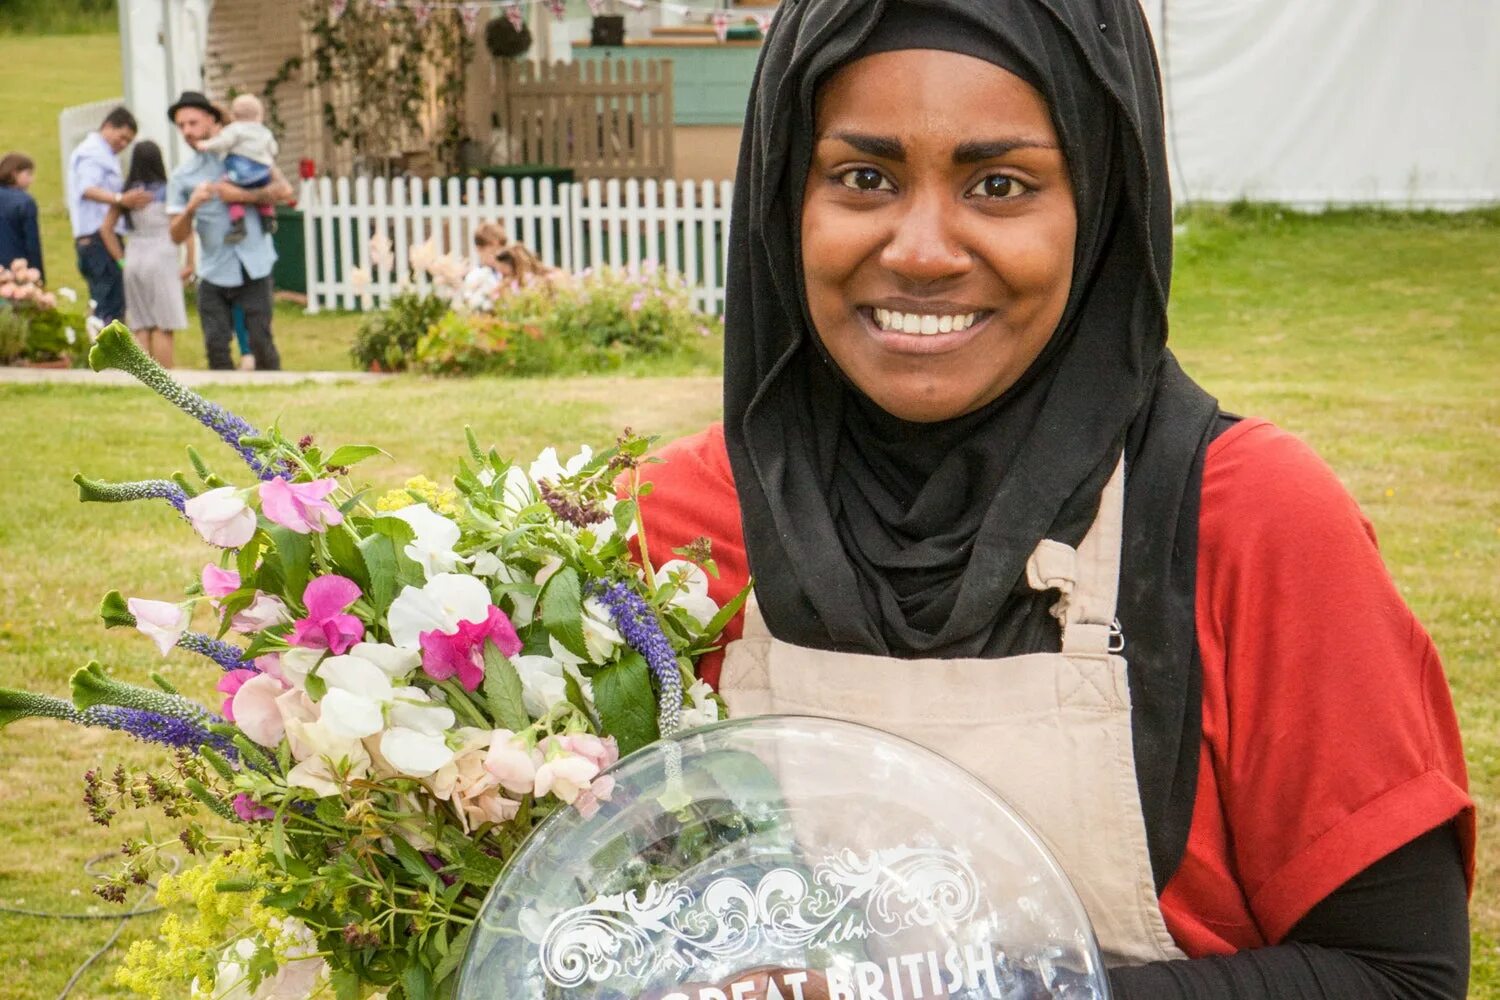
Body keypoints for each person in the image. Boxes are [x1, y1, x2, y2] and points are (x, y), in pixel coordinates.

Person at [633, 2, 1473, 998]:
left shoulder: (1250, 521)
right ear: (783, 197)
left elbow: (1399, 975)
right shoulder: (668, 528)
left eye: (1000, 185)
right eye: (864, 177)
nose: (923, 249)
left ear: (1101, 204)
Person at [165, 90, 293, 371]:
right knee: (215, 345)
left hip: (254, 265)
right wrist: (191, 208)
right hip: (214, 270)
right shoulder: (182, 176)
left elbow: (284, 190)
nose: (187, 131)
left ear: (211, 121)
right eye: (182, 126)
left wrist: (241, 196)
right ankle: (223, 411)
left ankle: (279, 398)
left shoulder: (245, 154)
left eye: (193, 123)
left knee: (261, 341)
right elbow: (174, 235)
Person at [98, 141, 190, 368]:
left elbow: (105, 229)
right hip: (162, 256)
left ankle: (142, 380)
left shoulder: (127, 194)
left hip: (134, 256)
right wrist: (191, 261)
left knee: (141, 324)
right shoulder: (168, 191)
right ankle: (166, 382)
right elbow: (183, 228)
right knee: (163, 324)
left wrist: (121, 260)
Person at [66, 106, 152, 325]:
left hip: (102, 239)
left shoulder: (104, 154)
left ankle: (106, 354)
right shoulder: (93, 152)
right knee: (107, 306)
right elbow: (87, 188)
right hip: (97, 239)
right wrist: (119, 199)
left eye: (127, 142)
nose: (122, 144)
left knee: (110, 302)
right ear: (107, 126)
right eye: (121, 137)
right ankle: (105, 357)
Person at [196, 93, 279, 245]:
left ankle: (238, 222)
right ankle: (268, 217)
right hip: (262, 172)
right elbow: (273, 149)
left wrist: (206, 144)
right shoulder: (264, 132)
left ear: (234, 116)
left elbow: (222, 142)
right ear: (259, 115)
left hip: (241, 172)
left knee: (228, 187)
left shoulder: (235, 130)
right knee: (262, 187)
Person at [0, 153, 43, 282]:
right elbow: (32, 243)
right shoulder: (25, 201)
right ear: (14, 173)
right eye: (28, 174)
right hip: (18, 270)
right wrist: (37, 274)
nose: (31, 179)